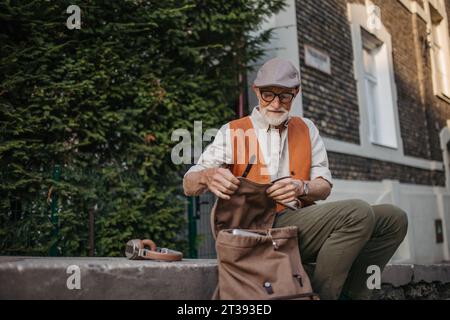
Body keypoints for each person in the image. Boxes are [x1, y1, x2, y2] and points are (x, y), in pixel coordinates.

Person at [183, 57, 408, 300]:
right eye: (268, 94)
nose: (276, 103)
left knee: (394, 218)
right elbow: (189, 184)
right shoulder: (233, 131)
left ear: (296, 93)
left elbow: (323, 186)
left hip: (299, 222)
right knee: (358, 212)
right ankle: (322, 296)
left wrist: (302, 187)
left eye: (285, 96)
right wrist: (208, 175)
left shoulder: (307, 128)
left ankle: (356, 295)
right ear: (256, 91)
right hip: (257, 229)